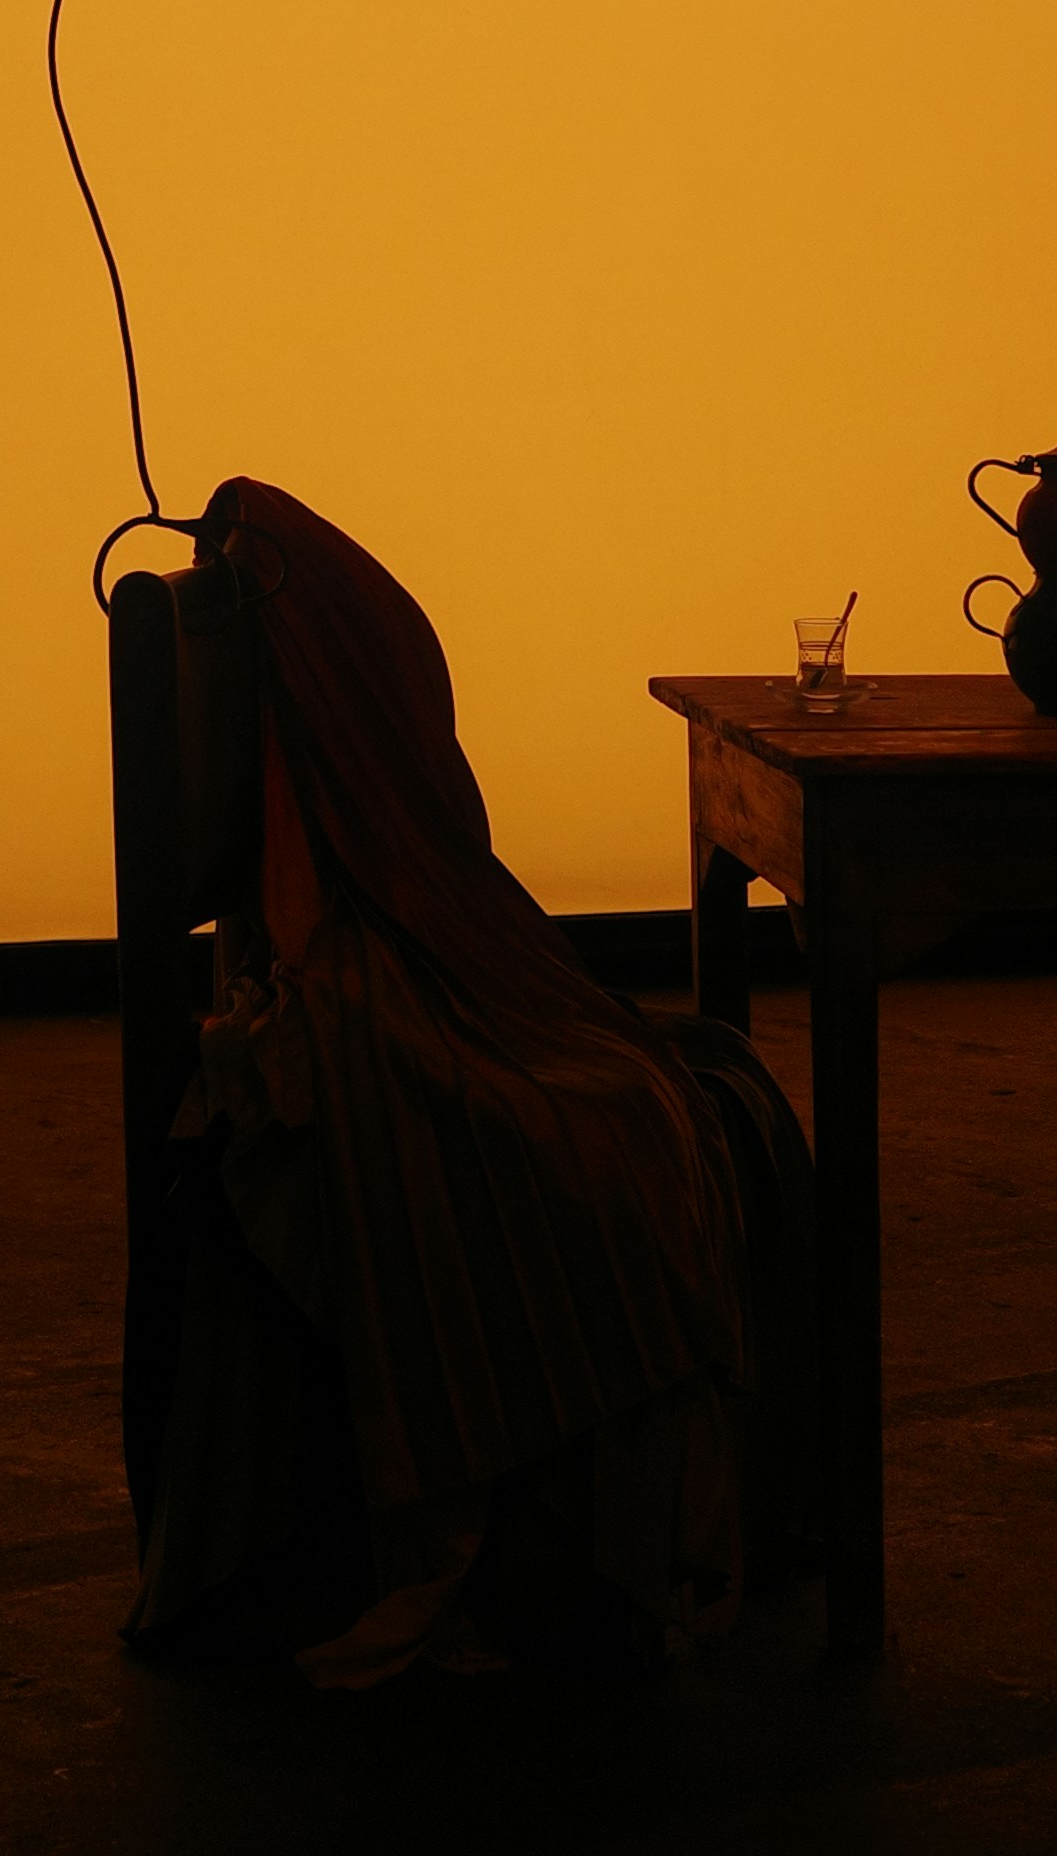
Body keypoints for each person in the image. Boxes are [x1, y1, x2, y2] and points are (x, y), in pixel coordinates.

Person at [122, 478, 812, 1680]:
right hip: (382, 982)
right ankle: (557, 1537)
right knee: (591, 1120)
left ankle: (663, 1527)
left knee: (668, 1089)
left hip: (421, 951)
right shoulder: (295, 702)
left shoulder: (328, 650)